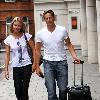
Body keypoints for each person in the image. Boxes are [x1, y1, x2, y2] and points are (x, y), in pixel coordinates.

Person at [35, 10, 80, 100]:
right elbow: (38, 50)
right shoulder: (40, 33)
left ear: (54, 18)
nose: (48, 20)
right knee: (51, 92)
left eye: (50, 18)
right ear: (44, 20)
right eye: (46, 18)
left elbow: (69, 44)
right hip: (48, 64)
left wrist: (74, 56)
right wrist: (37, 66)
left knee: (63, 89)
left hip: (62, 63)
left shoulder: (62, 30)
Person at [4, 17, 35, 100]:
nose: (17, 27)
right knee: (18, 90)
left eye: (19, 25)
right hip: (16, 66)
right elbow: (7, 55)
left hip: (27, 65)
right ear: (12, 25)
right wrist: (6, 70)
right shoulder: (8, 39)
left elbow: (34, 49)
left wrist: (35, 64)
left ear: (22, 26)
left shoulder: (26, 36)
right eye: (15, 25)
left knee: (24, 89)